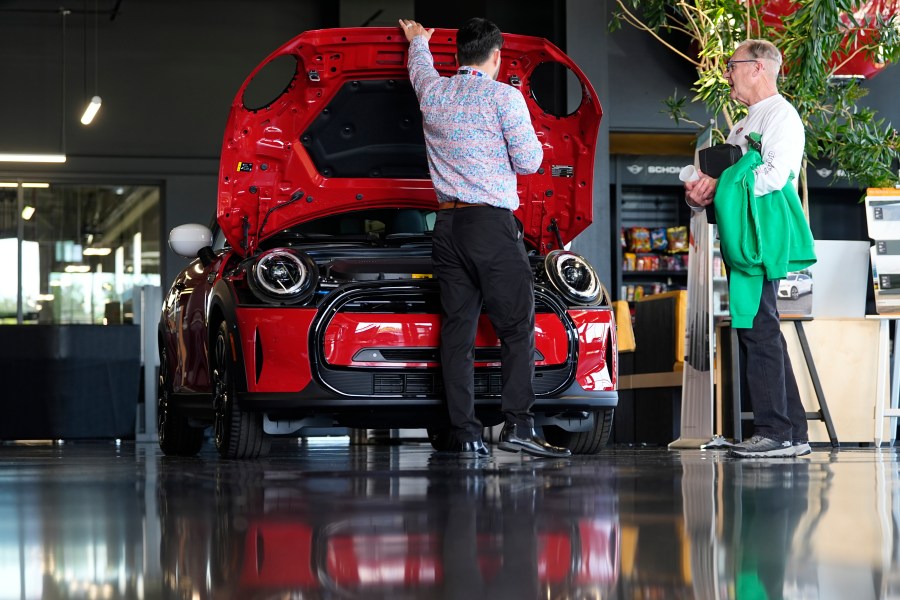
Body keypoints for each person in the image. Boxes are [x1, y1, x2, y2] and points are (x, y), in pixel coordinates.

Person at [400, 16, 570, 458]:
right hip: (490, 227)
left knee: (457, 332)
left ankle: (467, 433)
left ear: (457, 56)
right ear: (497, 57)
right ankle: (518, 426)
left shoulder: (434, 92)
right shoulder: (504, 98)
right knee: (516, 328)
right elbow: (531, 161)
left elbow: (419, 69)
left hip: (447, 228)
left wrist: (418, 41)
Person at [684, 39, 816, 458]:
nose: (727, 73)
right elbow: (731, 180)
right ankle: (792, 433)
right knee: (760, 327)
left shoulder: (781, 116)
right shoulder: (742, 125)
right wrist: (701, 192)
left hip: (763, 236)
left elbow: (775, 177)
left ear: (758, 68)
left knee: (759, 327)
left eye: (732, 65)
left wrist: (722, 184)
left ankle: (774, 432)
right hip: (744, 237)